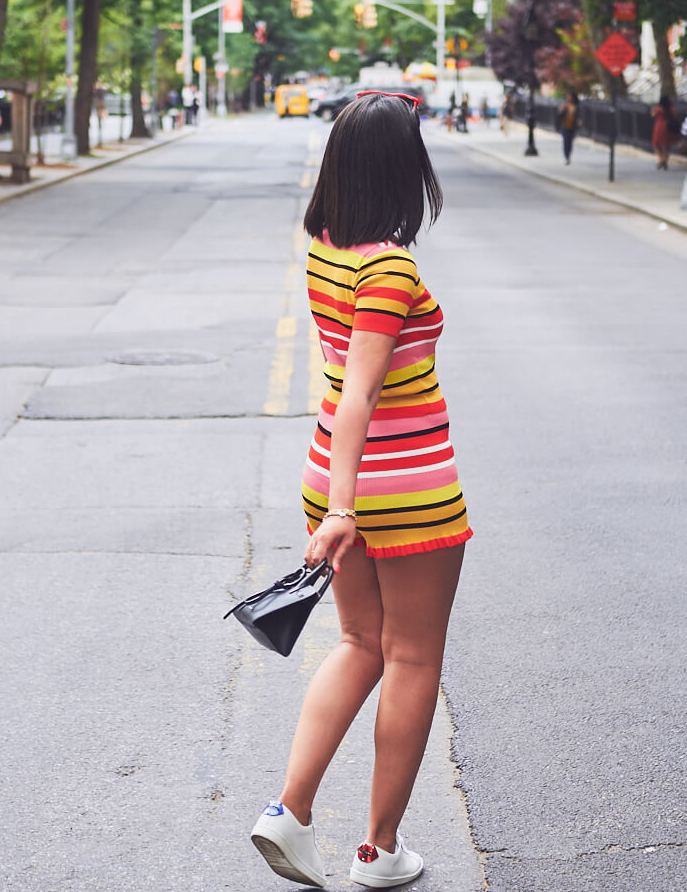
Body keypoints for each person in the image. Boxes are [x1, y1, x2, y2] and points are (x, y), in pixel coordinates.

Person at [250, 92, 471, 891]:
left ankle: (288, 813)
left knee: (358, 644)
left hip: (331, 473)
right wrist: (347, 510)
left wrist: (336, 501)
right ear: (403, 170)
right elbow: (361, 397)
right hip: (402, 488)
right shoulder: (388, 265)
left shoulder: (325, 249)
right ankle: (378, 852)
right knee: (411, 656)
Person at [652, 94, 674, 169]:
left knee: (657, 144)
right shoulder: (671, 108)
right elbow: (675, 115)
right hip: (668, 127)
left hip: (659, 126)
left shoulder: (658, 108)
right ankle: (665, 159)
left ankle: (660, 159)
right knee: (667, 145)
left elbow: (653, 115)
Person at [558, 90, 579, 165]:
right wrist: (562, 109)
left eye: (570, 97)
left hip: (572, 125)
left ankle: (568, 155)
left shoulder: (576, 106)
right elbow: (559, 115)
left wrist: (578, 121)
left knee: (570, 142)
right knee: (565, 141)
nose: (569, 98)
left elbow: (578, 116)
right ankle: (566, 156)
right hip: (565, 124)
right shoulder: (565, 105)